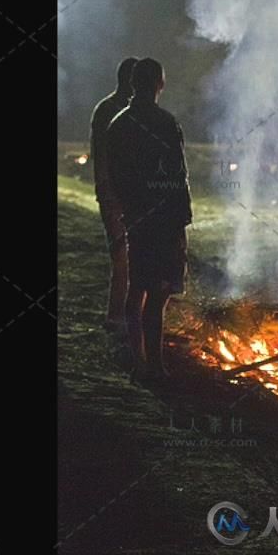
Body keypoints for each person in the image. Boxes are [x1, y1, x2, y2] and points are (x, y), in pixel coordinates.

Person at [105, 58, 193, 382]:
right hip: (163, 222)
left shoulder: (118, 124)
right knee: (158, 294)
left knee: (137, 288)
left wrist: (129, 208)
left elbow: (115, 176)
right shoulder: (165, 123)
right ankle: (155, 365)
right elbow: (177, 176)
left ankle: (137, 359)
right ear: (160, 84)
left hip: (138, 218)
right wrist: (182, 221)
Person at [90, 57, 138, 332]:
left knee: (133, 253)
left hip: (131, 194)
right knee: (121, 254)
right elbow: (101, 154)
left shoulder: (130, 110)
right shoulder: (108, 110)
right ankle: (116, 316)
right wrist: (107, 191)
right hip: (114, 193)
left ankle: (126, 315)